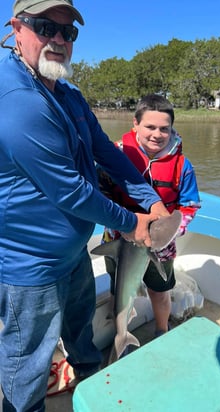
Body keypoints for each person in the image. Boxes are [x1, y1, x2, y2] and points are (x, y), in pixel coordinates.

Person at [0, 2, 169, 411]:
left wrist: (153, 200)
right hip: (31, 264)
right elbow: (71, 192)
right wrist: (133, 223)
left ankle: (93, 388)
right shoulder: (17, 100)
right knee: (28, 362)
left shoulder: (69, 93)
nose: (58, 40)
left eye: (68, 33)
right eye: (45, 27)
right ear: (16, 28)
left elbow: (106, 154)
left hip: (74, 250)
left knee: (80, 330)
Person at [98, 94, 200, 339]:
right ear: (135, 124)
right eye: (150, 127)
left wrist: (172, 231)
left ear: (172, 129)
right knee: (118, 290)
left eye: (164, 129)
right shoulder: (114, 155)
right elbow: (99, 194)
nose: (157, 134)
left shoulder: (182, 165)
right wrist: (120, 223)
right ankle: (119, 335)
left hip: (160, 245)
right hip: (118, 238)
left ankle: (161, 331)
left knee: (160, 291)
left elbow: (190, 205)